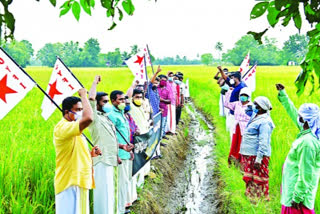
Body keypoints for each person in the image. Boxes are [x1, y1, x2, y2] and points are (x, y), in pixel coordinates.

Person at [54, 89, 102, 214]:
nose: (81, 113)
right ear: (67, 112)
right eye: (78, 110)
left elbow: (75, 152)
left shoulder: (74, 128)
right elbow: (88, 118)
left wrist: (90, 155)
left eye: (82, 109)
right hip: (70, 182)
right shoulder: (63, 127)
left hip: (80, 179)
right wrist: (83, 96)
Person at [276, 83, 320, 214]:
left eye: (300, 116)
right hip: (293, 190)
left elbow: (306, 173)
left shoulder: (308, 143)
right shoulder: (308, 131)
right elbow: (292, 111)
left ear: (305, 120)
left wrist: (298, 197)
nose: (298, 117)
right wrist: (283, 94)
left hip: (298, 200)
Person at [88, 76, 119, 214]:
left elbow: (111, 138)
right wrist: (94, 83)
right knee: (102, 193)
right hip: (101, 159)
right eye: (105, 101)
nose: (108, 104)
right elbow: (91, 100)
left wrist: (116, 155)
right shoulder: (94, 118)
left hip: (109, 158)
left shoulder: (105, 117)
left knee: (109, 192)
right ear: (98, 104)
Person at [239, 96, 274, 202]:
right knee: (251, 179)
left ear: (261, 107)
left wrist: (259, 159)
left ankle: (260, 202)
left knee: (258, 180)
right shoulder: (256, 116)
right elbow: (247, 111)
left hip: (257, 156)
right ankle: (252, 199)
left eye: (255, 104)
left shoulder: (265, 122)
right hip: (250, 154)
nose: (252, 105)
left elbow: (263, 142)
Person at [107, 90, 133, 214]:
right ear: (113, 101)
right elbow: (111, 137)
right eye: (120, 100)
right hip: (119, 154)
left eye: (124, 99)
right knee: (120, 183)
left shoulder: (122, 113)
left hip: (126, 152)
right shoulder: (112, 115)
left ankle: (123, 207)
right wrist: (117, 152)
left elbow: (125, 133)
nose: (123, 102)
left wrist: (130, 151)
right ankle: (119, 209)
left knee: (126, 181)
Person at [128, 89, 152, 186]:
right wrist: (133, 84)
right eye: (136, 97)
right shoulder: (131, 107)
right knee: (138, 160)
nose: (139, 99)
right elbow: (127, 96)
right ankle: (138, 183)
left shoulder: (141, 107)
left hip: (145, 136)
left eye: (140, 97)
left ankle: (144, 175)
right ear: (132, 98)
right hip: (138, 138)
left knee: (144, 156)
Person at [224, 87, 252, 166]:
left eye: (245, 95)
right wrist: (229, 92)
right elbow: (226, 104)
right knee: (234, 144)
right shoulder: (237, 104)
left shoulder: (251, 106)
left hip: (245, 129)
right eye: (241, 95)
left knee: (242, 145)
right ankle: (232, 161)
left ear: (248, 96)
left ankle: (241, 163)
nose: (243, 97)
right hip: (236, 127)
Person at [218, 66, 247, 140]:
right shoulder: (234, 85)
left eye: (232, 77)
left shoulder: (242, 87)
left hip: (237, 114)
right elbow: (225, 78)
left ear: (236, 78)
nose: (230, 79)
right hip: (232, 111)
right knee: (231, 130)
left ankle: (234, 148)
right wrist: (221, 70)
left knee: (234, 132)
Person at [124, 96, 139, 208]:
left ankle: (132, 197)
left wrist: (137, 130)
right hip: (124, 150)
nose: (127, 105)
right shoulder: (117, 117)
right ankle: (126, 201)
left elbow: (135, 126)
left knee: (131, 174)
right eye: (125, 103)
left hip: (132, 148)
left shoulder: (129, 116)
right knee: (125, 176)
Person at [158, 74, 172, 140]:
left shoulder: (167, 90)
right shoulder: (155, 88)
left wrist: (162, 100)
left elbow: (169, 101)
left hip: (164, 110)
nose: (163, 82)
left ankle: (161, 139)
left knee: (163, 125)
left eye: (165, 81)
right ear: (159, 80)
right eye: (162, 80)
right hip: (155, 110)